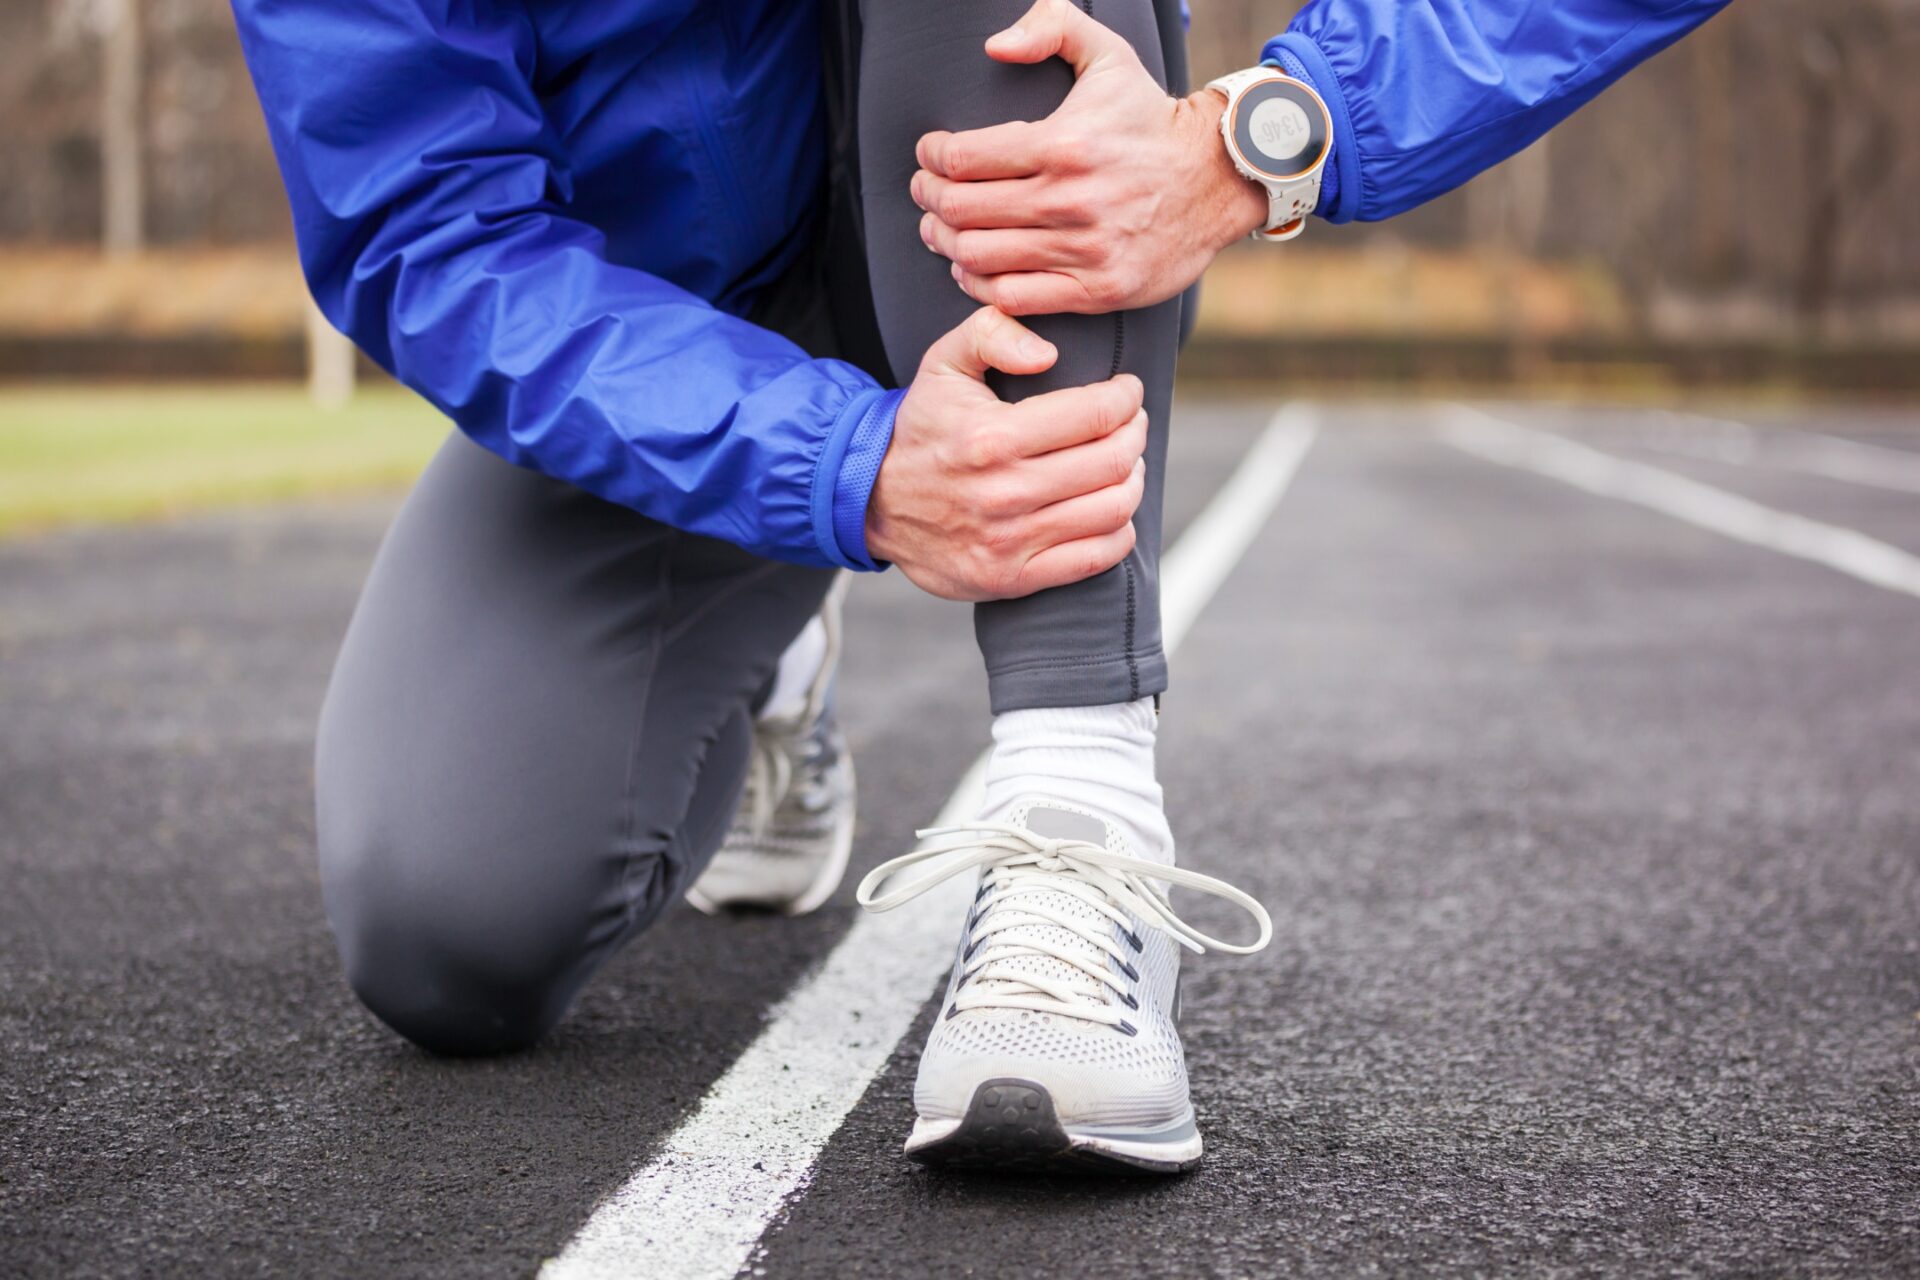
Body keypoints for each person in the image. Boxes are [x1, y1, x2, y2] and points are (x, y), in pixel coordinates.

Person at [232, 0, 1731, 1173]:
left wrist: (1279, 130)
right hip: (680, 333)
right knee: (447, 929)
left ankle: (1076, 809)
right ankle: (778, 655)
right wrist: (837, 462)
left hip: (1004, 178)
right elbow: (430, 230)